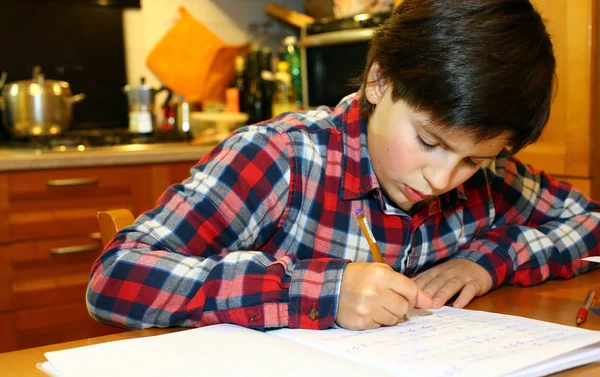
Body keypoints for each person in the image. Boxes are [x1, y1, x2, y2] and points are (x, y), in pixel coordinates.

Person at [87, 0, 600, 331]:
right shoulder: (280, 158)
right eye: (427, 141)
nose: (442, 180)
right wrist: (320, 293)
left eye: (473, 159)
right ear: (379, 81)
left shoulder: (486, 182)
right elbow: (115, 278)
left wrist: (490, 259)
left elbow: (591, 221)